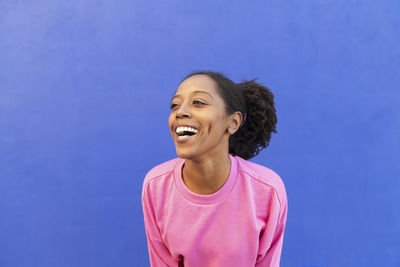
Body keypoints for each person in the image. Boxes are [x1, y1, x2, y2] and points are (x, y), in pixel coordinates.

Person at [141, 71, 288, 267]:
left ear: (233, 122)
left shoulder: (268, 190)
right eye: (175, 105)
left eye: (199, 102)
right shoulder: (155, 186)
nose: (180, 112)